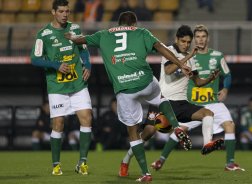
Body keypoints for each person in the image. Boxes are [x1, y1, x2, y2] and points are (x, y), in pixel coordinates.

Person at [65, 11, 193, 182]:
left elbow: (81, 39)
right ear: (134, 24)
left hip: (124, 89)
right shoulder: (141, 32)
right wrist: (180, 63)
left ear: (119, 24)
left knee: (133, 132)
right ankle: (176, 126)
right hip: (145, 81)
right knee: (160, 98)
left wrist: (72, 37)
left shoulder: (103, 35)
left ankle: (145, 173)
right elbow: (161, 48)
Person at [118, 25, 223, 176]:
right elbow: (168, 70)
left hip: (182, 103)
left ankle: (207, 144)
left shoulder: (192, 59)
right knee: (147, 134)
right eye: (183, 41)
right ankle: (126, 160)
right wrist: (188, 57)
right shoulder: (169, 51)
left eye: (188, 42)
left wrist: (209, 79)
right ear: (176, 39)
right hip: (163, 102)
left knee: (208, 113)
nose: (186, 45)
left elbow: (198, 82)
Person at [150, 24, 244, 172]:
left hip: (213, 101)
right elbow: (170, 71)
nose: (200, 40)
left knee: (230, 125)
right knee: (180, 130)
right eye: (198, 37)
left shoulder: (217, 56)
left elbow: (227, 75)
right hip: (193, 102)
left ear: (208, 38)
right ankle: (160, 160)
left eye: (203, 36)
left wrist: (224, 88)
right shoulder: (185, 54)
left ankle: (230, 163)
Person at [30, 0, 93, 176]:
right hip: (57, 86)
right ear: (53, 12)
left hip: (78, 83)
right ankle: (56, 165)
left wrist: (88, 66)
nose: (65, 14)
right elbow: (35, 59)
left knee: (87, 118)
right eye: (61, 11)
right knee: (58, 123)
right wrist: (55, 65)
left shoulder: (75, 29)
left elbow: (83, 50)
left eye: (67, 11)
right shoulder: (44, 34)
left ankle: (82, 163)